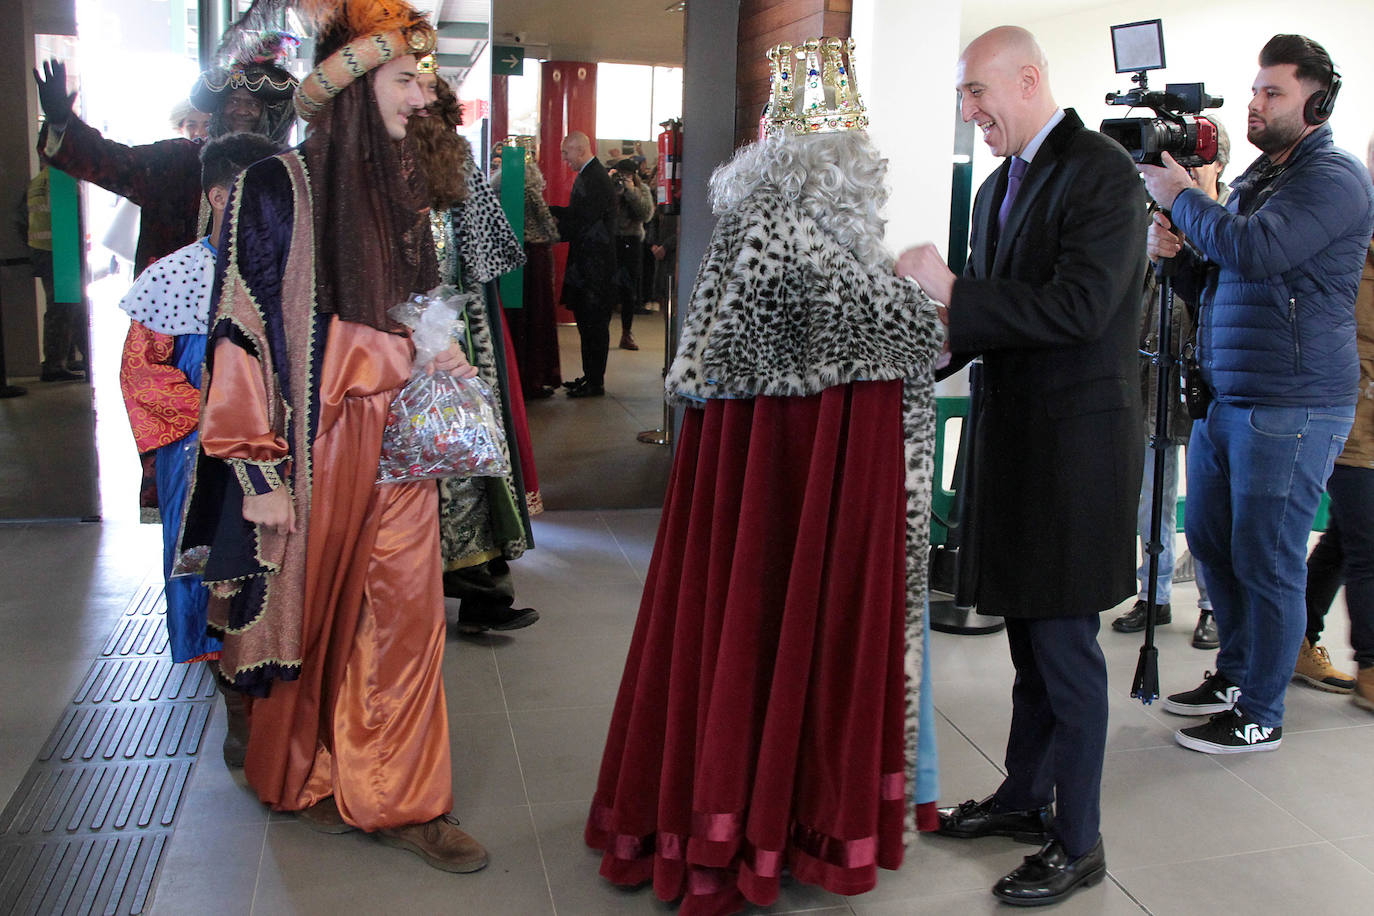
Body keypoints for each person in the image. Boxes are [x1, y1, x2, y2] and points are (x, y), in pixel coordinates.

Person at [585, 37, 944, 915]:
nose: (863, 157)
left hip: (773, 466)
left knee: (756, 623)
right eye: (853, 137)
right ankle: (749, 825)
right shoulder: (785, 217)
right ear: (835, 149)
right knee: (763, 623)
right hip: (789, 468)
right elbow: (834, 321)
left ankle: (759, 814)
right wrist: (924, 296)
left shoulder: (765, 208)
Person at [179, 1, 487, 873]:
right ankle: (306, 775)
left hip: (399, 438)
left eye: (425, 79)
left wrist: (443, 348)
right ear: (352, 90)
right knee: (313, 618)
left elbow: (415, 297)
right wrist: (255, 471)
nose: (421, 94)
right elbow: (237, 329)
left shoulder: (404, 184)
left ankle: (404, 799)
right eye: (404, 78)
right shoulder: (273, 188)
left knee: (406, 611)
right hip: (312, 446)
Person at [897, 25, 1146, 906]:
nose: (970, 112)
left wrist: (955, 290)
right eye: (965, 98)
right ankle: (1021, 796)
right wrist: (911, 344)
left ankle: (1079, 842)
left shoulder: (1104, 175)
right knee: (1030, 650)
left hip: (1075, 459)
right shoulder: (1002, 184)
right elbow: (994, 319)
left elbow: (1079, 307)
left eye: (977, 93)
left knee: (1066, 653)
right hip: (1017, 450)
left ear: (1028, 79)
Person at [1141, 34, 1374, 754]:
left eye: (1272, 92)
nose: (1255, 102)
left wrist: (1182, 196)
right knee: (1213, 542)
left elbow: (1258, 251)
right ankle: (1236, 673)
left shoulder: (1331, 179)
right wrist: (1175, 258)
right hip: (1228, 395)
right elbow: (1220, 285)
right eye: (1254, 90)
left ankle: (1261, 712)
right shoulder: (1254, 183)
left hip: (1294, 402)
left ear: (1317, 102)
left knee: (1268, 555)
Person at [116, 132, 282, 764]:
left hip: (281, 452)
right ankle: (235, 705)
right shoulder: (176, 276)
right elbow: (143, 373)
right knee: (211, 571)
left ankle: (274, 692)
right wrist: (219, 420)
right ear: (220, 195)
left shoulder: (288, 270)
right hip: (201, 455)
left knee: (276, 571)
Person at [408, 62, 541, 634]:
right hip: (390, 340)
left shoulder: (455, 162)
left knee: (470, 460)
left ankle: (482, 590)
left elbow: (493, 253)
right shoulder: (370, 165)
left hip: (463, 338)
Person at [32, 29, 296, 276]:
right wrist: (60, 121)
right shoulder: (177, 161)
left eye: (253, 103)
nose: (241, 110)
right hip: (174, 311)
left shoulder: (288, 175)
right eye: (233, 101)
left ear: (272, 114)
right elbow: (111, 162)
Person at [1112, 124, 1232, 651]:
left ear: (1216, 168)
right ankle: (1153, 594)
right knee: (1150, 496)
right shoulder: (1149, 218)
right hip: (1150, 373)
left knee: (1208, 503)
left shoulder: (1234, 220)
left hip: (1207, 378)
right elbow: (1128, 289)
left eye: (1193, 166)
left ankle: (1212, 607)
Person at [1298, 132, 1374, 708]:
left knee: (1348, 539)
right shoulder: (1356, 232)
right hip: (1355, 416)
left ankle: (1296, 639)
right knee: (1367, 545)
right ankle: (1371, 669)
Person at [493, 139, 563, 400]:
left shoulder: (497, 187)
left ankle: (512, 376)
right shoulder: (530, 187)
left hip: (507, 259)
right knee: (536, 317)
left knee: (514, 319)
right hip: (533, 257)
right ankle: (533, 378)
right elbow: (546, 221)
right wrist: (553, 233)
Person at [550, 130, 616, 398]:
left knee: (594, 325)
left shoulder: (594, 178)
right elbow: (580, 216)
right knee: (587, 324)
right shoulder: (590, 175)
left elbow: (584, 221)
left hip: (594, 270)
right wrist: (554, 212)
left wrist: (552, 227)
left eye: (566, 153)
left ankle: (595, 382)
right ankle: (590, 376)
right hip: (589, 266)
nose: (565, 159)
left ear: (579, 149)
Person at [609, 157, 654, 351]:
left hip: (632, 242)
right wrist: (615, 192)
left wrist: (631, 192)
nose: (624, 178)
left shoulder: (641, 189)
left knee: (629, 290)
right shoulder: (610, 186)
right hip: (612, 241)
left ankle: (626, 333)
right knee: (609, 287)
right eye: (621, 174)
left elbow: (646, 214)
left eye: (628, 175)